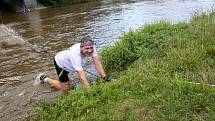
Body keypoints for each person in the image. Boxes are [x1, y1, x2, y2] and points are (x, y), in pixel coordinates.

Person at [34, 37, 111, 90]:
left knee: (66, 81)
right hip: (61, 64)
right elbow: (82, 77)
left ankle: (60, 79)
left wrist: (104, 77)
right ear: (81, 47)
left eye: (91, 48)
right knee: (65, 87)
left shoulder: (92, 48)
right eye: (87, 49)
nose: (90, 51)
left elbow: (97, 63)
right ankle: (43, 78)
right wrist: (90, 91)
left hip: (70, 63)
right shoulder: (75, 54)